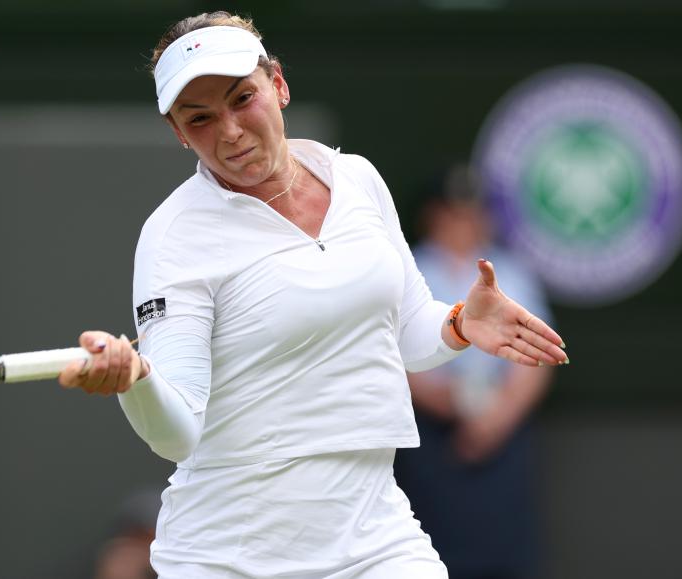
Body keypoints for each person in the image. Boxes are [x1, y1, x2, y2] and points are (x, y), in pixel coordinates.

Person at [58, 12, 568, 578]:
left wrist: (460, 323)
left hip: (377, 538)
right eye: (200, 118)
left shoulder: (357, 179)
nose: (230, 131)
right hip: (230, 557)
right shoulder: (173, 236)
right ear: (179, 133)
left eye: (242, 98)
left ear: (277, 84)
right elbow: (176, 434)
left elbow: (406, 335)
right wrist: (136, 383)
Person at [394, 166, 555, 579]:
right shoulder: (409, 269)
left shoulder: (512, 272)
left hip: (502, 432)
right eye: (453, 213)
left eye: (472, 212)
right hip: (431, 432)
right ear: (433, 215)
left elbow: (538, 358)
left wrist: (496, 418)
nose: (464, 222)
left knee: (504, 550)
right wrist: (451, 403)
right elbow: (393, 353)